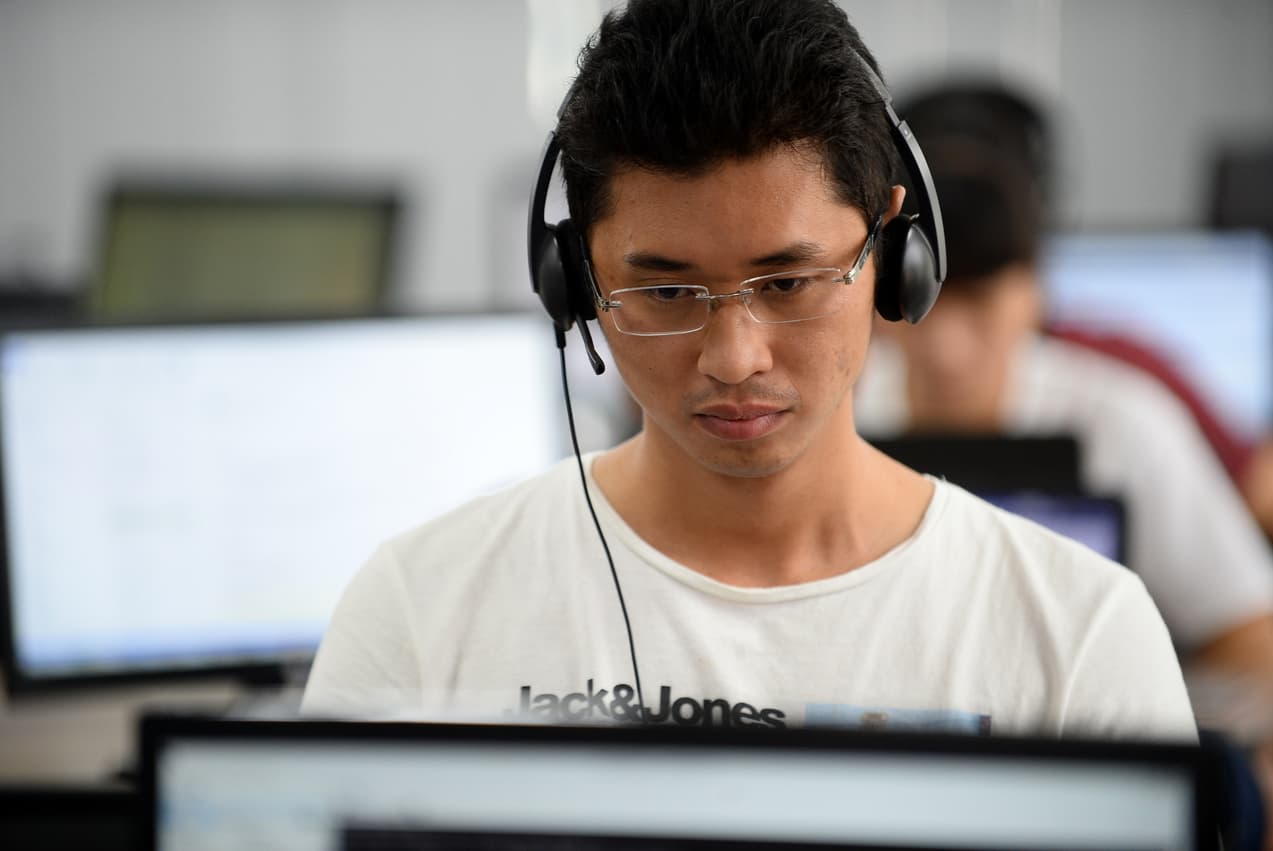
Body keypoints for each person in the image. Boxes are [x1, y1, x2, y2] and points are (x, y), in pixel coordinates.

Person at [302, 0, 1194, 741]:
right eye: (665, 293)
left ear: (891, 248)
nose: (734, 358)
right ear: (576, 281)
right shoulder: (423, 612)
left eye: (789, 281)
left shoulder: (1079, 639)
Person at [853, 81, 1273, 842]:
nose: (949, 347)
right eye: (933, 297)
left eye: (982, 302)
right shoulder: (835, 419)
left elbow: (1255, 635)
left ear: (1036, 291)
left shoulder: (1124, 420)